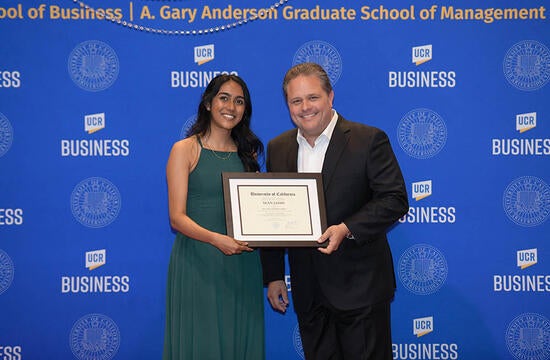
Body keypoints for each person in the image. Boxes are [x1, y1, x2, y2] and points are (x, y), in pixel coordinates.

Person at [260, 62, 409, 360]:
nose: (305, 107)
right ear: (288, 105)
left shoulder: (368, 140)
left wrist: (347, 228)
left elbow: (394, 199)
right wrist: (274, 274)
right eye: (296, 101)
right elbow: (274, 215)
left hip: (361, 287)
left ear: (330, 97)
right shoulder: (278, 148)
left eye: (313, 97)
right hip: (309, 291)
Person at [163, 74, 265, 360]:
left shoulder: (250, 156)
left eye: (239, 101)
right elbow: (176, 218)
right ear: (208, 103)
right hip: (199, 263)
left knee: (239, 342)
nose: (231, 105)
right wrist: (216, 239)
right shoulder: (184, 150)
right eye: (224, 97)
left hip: (242, 265)